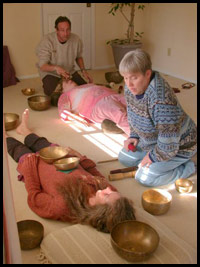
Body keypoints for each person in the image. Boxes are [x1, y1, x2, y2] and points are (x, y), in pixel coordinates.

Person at [5, 109, 135, 233]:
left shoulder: (63, 207)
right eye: (111, 191)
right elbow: (95, 173)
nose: (108, 189)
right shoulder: (110, 193)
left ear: (100, 211)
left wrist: (29, 170)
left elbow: (35, 197)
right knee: (41, 143)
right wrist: (80, 158)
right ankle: (25, 130)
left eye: (107, 195)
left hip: (35, 167)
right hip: (60, 158)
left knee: (18, 151)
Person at [118, 49, 197, 187]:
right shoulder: (130, 88)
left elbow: (169, 145)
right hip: (154, 142)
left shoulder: (162, 100)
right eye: (125, 77)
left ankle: (191, 164)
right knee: (125, 158)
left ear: (147, 74)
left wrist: (152, 157)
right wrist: (134, 136)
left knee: (144, 178)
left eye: (134, 77)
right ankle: (158, 161)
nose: (129, 84)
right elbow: (133, 115)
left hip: (180, 145)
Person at [36, 16, 93, 96]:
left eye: (68, 30)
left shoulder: (76, 39)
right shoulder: (46, 41)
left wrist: (83, 70)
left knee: (85, 91)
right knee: (55, 96)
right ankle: (47, 84)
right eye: (62, 30)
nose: (66, 33)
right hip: (51, 73)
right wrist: (56, 68)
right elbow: (42, 66)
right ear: (56, 30)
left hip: (69, 72)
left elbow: (78, 56)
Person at [58, 79, 130, 135]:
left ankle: (135, 121)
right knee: (118, 112)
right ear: (62, 90)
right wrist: (76, 118)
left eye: (69, 79)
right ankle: (136, 136)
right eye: (66, 81)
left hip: (111, 95)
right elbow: (63, 112)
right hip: (96, 104)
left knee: (133, 104)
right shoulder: (64, 95)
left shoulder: (85, 85)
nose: (70, 80)